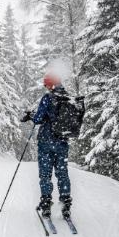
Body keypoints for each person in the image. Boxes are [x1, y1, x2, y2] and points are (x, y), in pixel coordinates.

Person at [21, 73, 74, 219]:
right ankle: (66, 205)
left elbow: (38, 118)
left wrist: (30, 115)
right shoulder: (68, 98)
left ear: (51, 84)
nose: (45, 87)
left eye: (46, 84)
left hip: (46, 142)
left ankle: (46, 205)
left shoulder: (48, 98)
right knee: (62, 174)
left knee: (45, 175)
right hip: (62, 142)